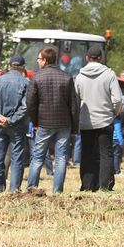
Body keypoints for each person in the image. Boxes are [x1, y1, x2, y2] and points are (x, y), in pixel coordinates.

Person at [26, 47, 79, 193]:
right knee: (61, 158)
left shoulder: (36, 77)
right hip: (64, 123)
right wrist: (74, 126)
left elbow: (30, 103)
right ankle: (57, 190)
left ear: (44, 60)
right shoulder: (67, 77)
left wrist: (35, 121)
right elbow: (73, 105)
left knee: (37, 156)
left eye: (38, 59)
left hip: (44, 122)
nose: (37, 61)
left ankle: (31, 188)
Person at [74, 45, 122, 191]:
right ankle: (104, 186)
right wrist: (114, 112)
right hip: (105, 120)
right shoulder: (109, 74)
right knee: (106, 154)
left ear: (87, 58)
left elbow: (76, 100)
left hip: (86, 121)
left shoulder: (80, 76)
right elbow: (118, 99)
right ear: (101, 58)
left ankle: (87, 185)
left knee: (87, 153)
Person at [0, 55, 29, 193]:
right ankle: (14, 189)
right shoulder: (26, 83)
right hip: (17, 125)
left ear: (9, 66)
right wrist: (11, 119)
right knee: (16, 158)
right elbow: (25, 106)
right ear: (22, 67)